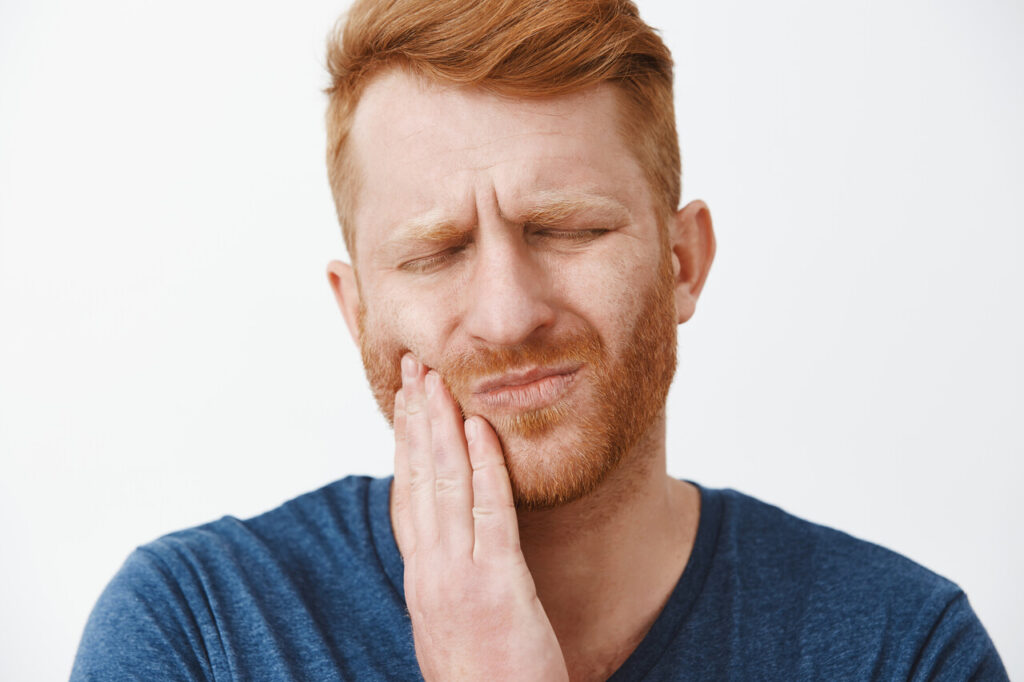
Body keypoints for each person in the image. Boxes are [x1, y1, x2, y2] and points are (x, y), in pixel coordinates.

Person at [71, 0, 1008, 679]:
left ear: (683, 262)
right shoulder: (197, 631)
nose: (508, 313)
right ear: (355, 311)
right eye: (437, 251)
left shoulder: (903, 647)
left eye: (565, 229)